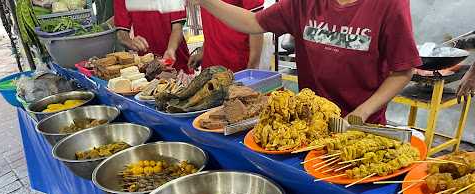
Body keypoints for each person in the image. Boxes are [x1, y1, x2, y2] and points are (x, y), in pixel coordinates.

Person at [189, 0, 422, 124]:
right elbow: (252, 22)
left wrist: (361, 112)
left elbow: (403, 69)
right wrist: (207, 2)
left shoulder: (389, 4)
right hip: (310, 121)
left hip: (362, 125)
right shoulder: (303, 3)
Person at [114, 0, 191, 72]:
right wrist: (129, 42)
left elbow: (177, 28)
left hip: (177, 63)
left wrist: (171, 49)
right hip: (146, 67)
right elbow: (121, 32)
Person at [188, 0, 264, 73]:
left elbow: (257, 22)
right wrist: (202, 51)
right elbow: (213, 21)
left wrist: (252, 67)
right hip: (210, 63)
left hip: (235, 65)